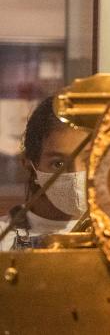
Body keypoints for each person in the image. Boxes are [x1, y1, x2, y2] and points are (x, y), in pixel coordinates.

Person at [0, 97, 90, 251]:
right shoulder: (4, 239)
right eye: (58, 164)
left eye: (88, 161)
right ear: (30, 165)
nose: (77, 174)